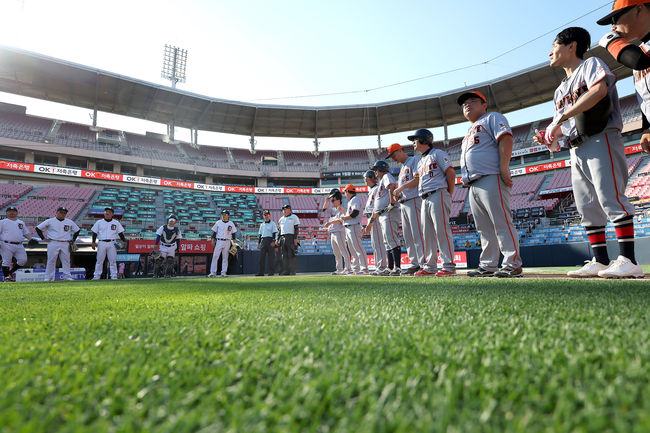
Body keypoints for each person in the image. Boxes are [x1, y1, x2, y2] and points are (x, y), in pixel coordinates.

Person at [534, 26, 643, 278]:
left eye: (554, 45)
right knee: (587, 206)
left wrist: (561, 116)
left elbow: (598, 90)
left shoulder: (590, 64)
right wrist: (550, 134)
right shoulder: (560, 90)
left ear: (571, 46)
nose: (550, 51)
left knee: (610, 197)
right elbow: (564, 125)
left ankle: (629, 259)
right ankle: (600, 260)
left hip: (600, 136)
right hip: (576, 145)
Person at [458, 90, 523, 278]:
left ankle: (513, 264)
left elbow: (506, 138)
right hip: (473, 183)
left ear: (484, 105)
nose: (467, 105)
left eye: (472, 101)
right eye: (464, 104)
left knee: (501, 222)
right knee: (484, 228)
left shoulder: (492, 118)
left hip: (491, 176)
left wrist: (504, 167)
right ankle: (488, 265)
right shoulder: (469, 130)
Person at [598, 0, 650, 156]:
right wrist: (647, 128)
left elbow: (639, 61)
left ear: (639, 9)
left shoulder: (638, 55)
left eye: (617, 18)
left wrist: (611, 42)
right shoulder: (642, 48)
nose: (613, 27)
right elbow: (646, 97)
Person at [404, 129, 457, 277]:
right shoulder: (420, 161)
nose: (413, 143)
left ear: (424, 139)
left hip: (438, 193)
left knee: (441, 231)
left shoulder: (438, 153)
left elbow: (451, 173)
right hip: (424, 198)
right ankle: (430, 266)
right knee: (427, 235)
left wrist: (448, 194)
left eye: (415, 139)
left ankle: (448, 265)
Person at [387, 141, 427, 275]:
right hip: (404, 203)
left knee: (417, 234)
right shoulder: (402, 168)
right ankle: (414, 263)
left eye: (393, 155)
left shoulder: (414, 160)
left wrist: (401, 188)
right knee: (408, 236)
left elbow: (417, 179)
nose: (393, 159)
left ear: (399, 151)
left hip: (414, 200)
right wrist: (398, 194)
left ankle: (423, 263)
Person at [363, 161, 402, 276]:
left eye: (376, 169)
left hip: (388, 211)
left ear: (381, 169)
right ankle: (390, 268)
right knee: (387, 242)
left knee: (392, 240)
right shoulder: (381, 181)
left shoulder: (386, 176)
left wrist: (392, 202)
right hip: (382, 214)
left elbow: (392, 186)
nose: (375, 172)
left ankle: (398, 268)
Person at [35, 206, 80, 281]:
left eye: (64, 213)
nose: (62, 214)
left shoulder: (69, 221)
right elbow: (38, 228)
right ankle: (49, 277)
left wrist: (73, 240)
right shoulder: (50, 221)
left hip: (65, 242)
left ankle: (67, 276)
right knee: (51, 260)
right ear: (56, 212)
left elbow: (77, 230)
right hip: (53, 241)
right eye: (61, 212)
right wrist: (43, 238)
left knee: (66, 260)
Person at [359, 171, 388, 276]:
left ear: (371, 178)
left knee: (378, 243)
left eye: (366, 178)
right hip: (371, 217)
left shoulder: (376, 189)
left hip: (375, 217)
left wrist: (370, 222)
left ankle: (382, 267)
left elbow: (376, 208)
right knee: (375, 244)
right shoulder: (372, 189)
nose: (365, 180)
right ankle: (379, 266)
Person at [338, 184, 369, 275]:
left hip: (354, 226)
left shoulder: (355, 199)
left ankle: (364, 269)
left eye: (345, 192)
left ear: (347, 191)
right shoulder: (351, 200)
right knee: (352, 250)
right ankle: (356, 268)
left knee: (358, 248)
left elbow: (355, 212)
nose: (345, 194)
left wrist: (345, 218)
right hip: (349, 227)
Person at [90, 207, 127, 280]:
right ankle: (96, 276)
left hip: (112, 242)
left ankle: (114, 276)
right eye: (106, 211)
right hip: (101, 242)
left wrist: (124, 240)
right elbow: (94, 232)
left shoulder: (116, 222)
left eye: (109, 212)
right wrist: (93, 242)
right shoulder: (99, 222)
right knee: (99, 260)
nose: (107, 213)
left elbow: (120, 233)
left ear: (112, 214)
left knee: (112, 260)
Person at [322, 188, 351, 275]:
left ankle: (347, 268)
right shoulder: (333, 209)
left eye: (333, 200)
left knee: (343, 251)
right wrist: (326, 201)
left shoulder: (343, 208)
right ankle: (339, 269)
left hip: (340, 232)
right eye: (331, 200)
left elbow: (340, 221)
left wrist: (329, 222)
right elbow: (324, 210)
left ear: (338, 200)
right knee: (336, 252)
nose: (332, 202)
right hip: (333, 232)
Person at [0, 206, 31, 282]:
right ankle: (7, 277)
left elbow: (26, 233)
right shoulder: (2, 222)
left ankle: (10, 272)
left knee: (23, 260)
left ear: (17, 213)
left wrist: (31, 239)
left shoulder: (21, 222)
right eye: (9, 211)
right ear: (6, 213)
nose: (12, 212)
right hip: (6, 243)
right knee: (6, 261)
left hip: (19, 244)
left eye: (13, 211)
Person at [209, 210, 238, 277]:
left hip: (227, 241)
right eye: (222, 214)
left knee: (225, 257)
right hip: (219, 240)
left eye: (225, 214)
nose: (223, 216)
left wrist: (234, 242)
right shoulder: (218, 222)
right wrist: (213, 239)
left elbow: (233, 233)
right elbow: (214, 232)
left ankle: (223, 272)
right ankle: (213, 273)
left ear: (228, 215)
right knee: (215, 256)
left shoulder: (231, 223)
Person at [277, 204, 300, 275]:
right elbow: (280, 231)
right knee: (284, 255)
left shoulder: (294, 217)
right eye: (283, 209)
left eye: (285, 209)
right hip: (283, 238)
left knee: (291, 254)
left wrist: (295, 238)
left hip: (291, 237)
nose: (284, 210)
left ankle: (293, 271)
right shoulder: (281, 219)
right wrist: (277, 239)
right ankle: (286, 270)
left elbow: (296, 229)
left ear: (290, 210)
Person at [256, 210, 278, 276]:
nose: (266, 216)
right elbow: (260, 234)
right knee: (261, 258)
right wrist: (259, 243)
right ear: (263, 216)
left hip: (270, 240)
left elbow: (274, 233)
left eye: (268, 215)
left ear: (269, 215)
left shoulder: (273, 223)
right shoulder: (262, 225)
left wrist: (273, 241)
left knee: (271, 258)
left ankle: (271, 272)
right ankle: (261, 272)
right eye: (265, 215)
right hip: (263, 241)